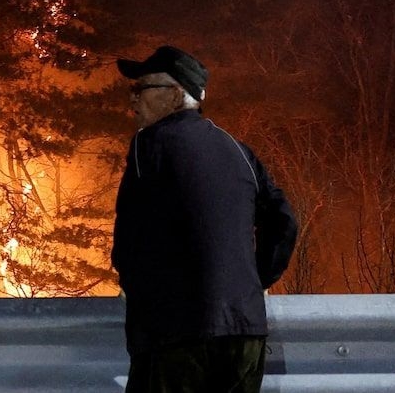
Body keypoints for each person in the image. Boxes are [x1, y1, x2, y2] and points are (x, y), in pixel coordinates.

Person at [112, 44, 299, 393]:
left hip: (177, 333)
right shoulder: (238, 149)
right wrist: (255, 279)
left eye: (141, 87)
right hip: (244, 333)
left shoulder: (148, 145)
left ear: (174, 95)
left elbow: (130, 233)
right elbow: (284, 220)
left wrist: (135, 285)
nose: (133, 99)